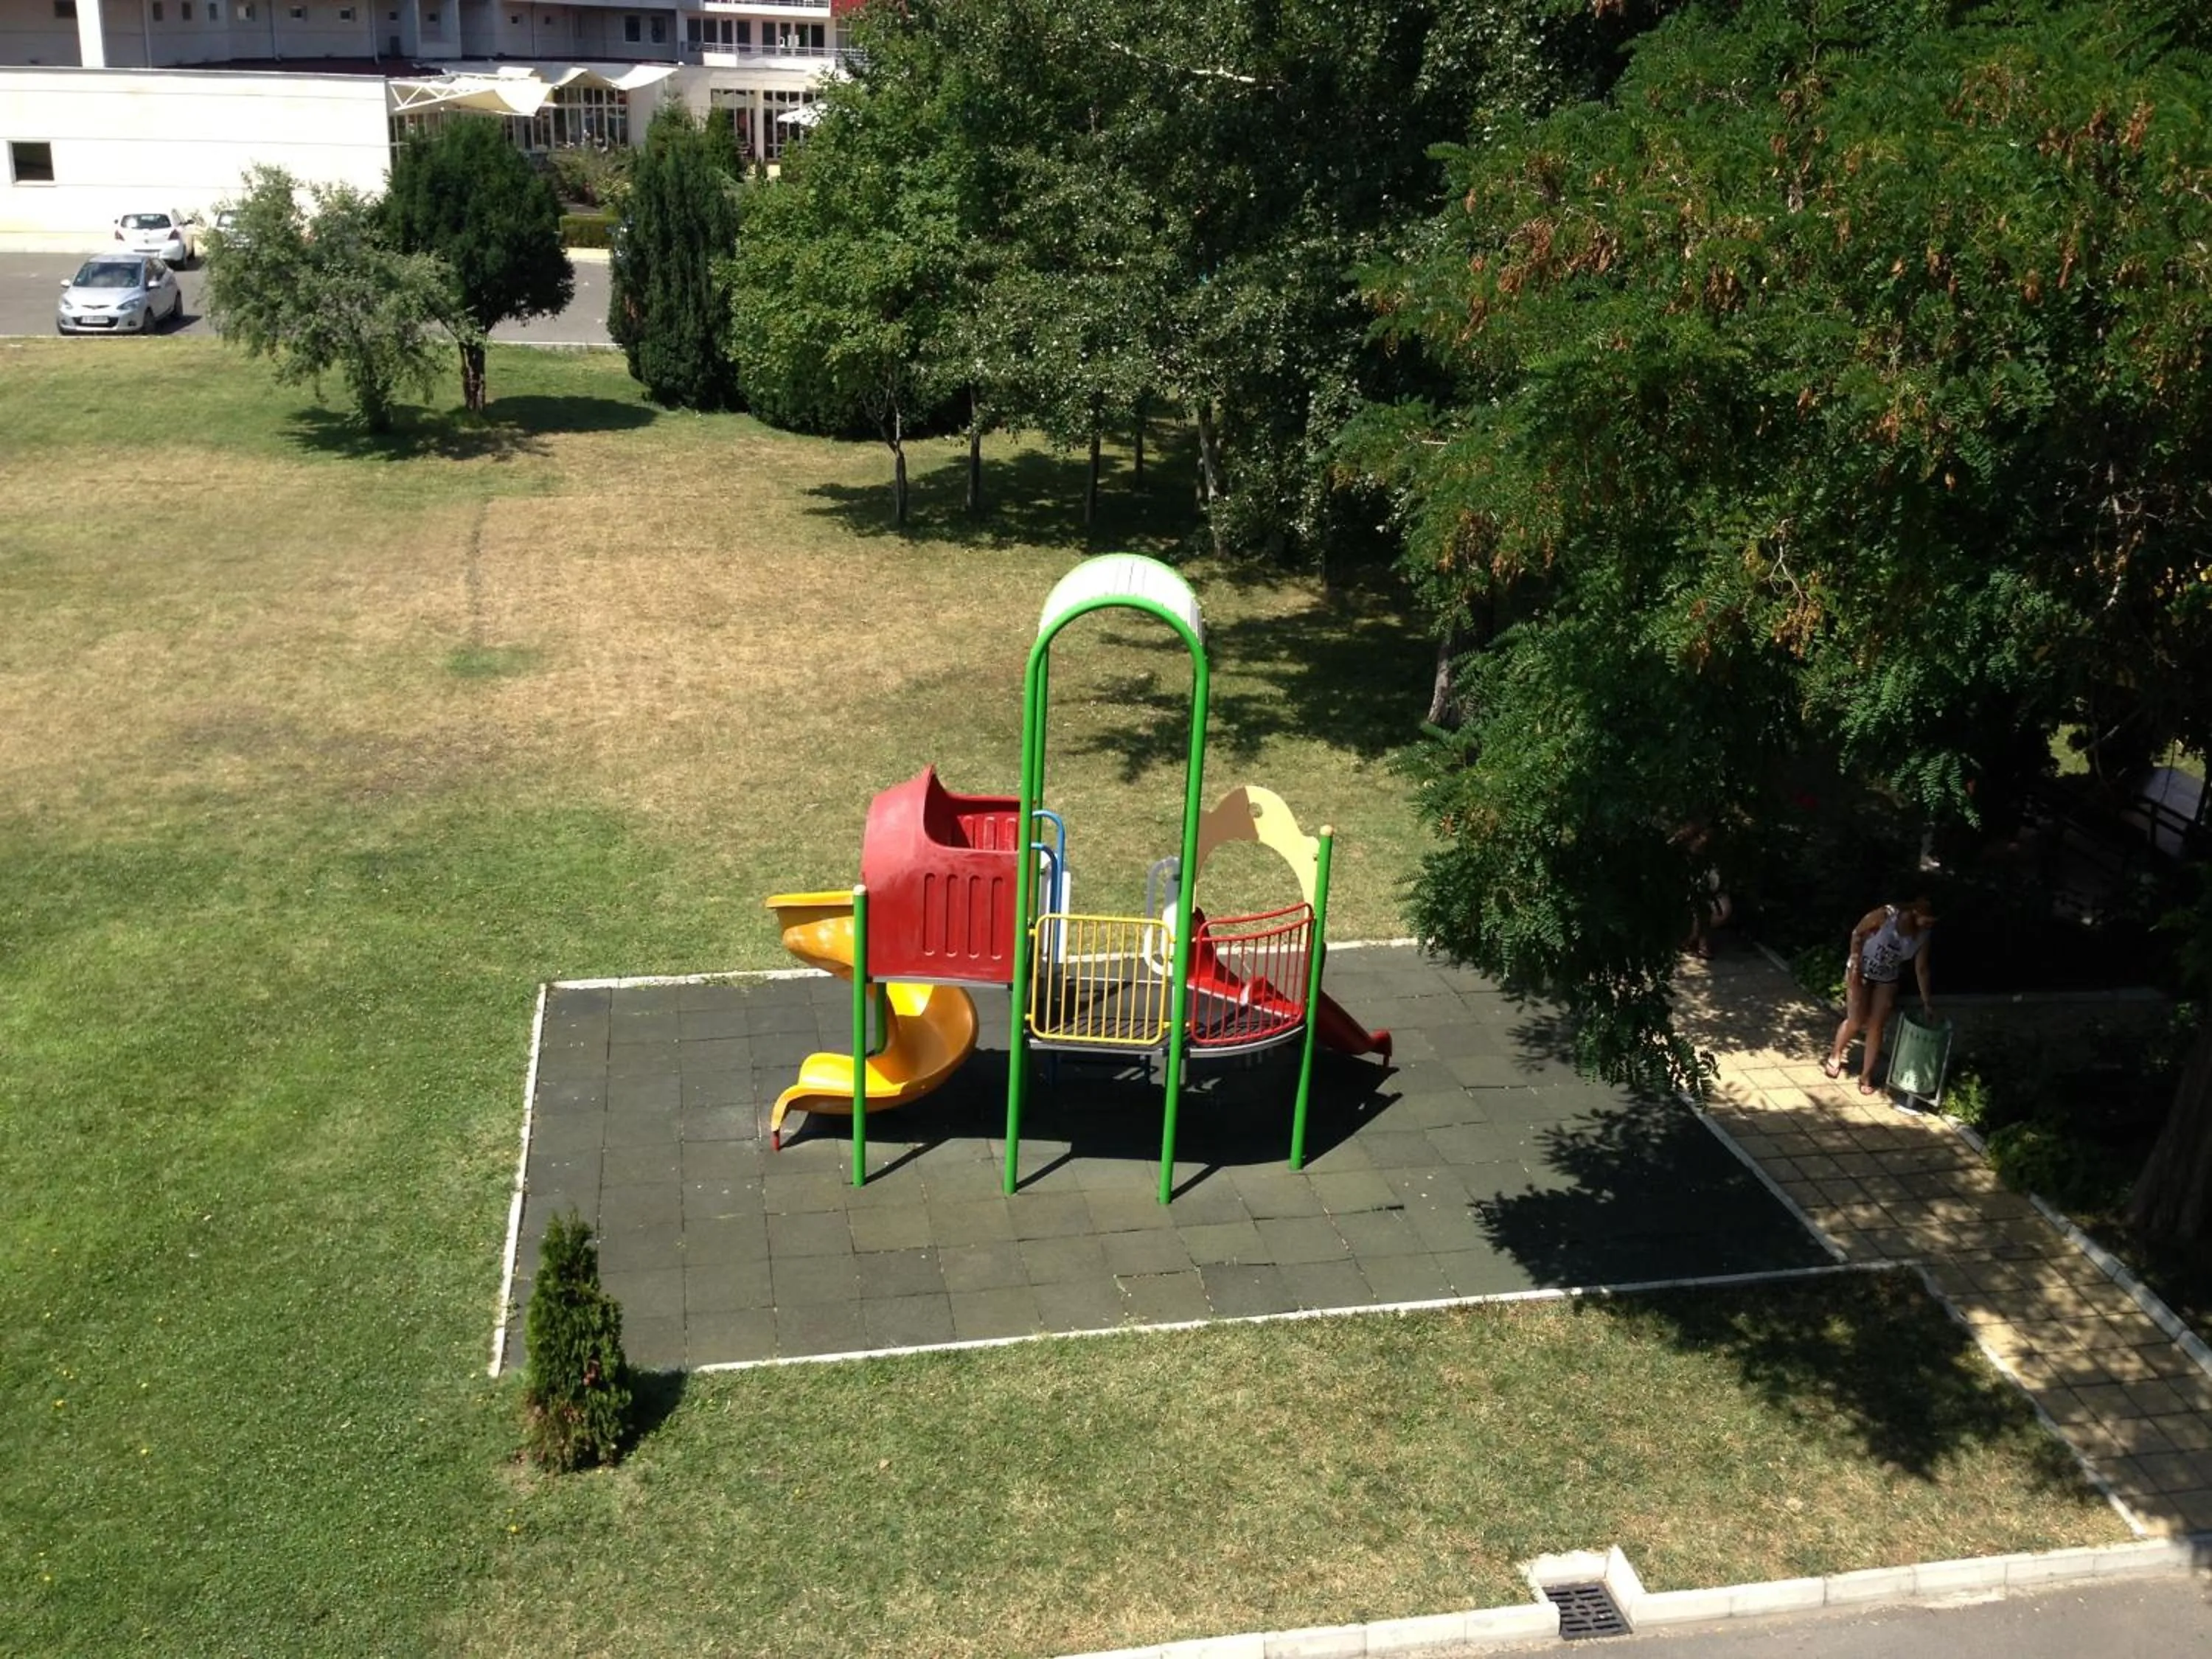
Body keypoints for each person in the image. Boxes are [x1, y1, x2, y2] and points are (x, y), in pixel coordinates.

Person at [1823, 897, 1935, 1095]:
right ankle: (1836, 1053)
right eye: (1928, 920)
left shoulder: (1923, 935)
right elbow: (1857, 933)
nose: (1930, 925)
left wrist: (1927, 1002)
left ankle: (1866, 1074)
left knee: (1877, 1025)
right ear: (1916, 912)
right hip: (1861, 969)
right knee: (1856, 1021)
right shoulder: (1887, 915)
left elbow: (1922, 968)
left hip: (1887, 978)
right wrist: (1855, 966)